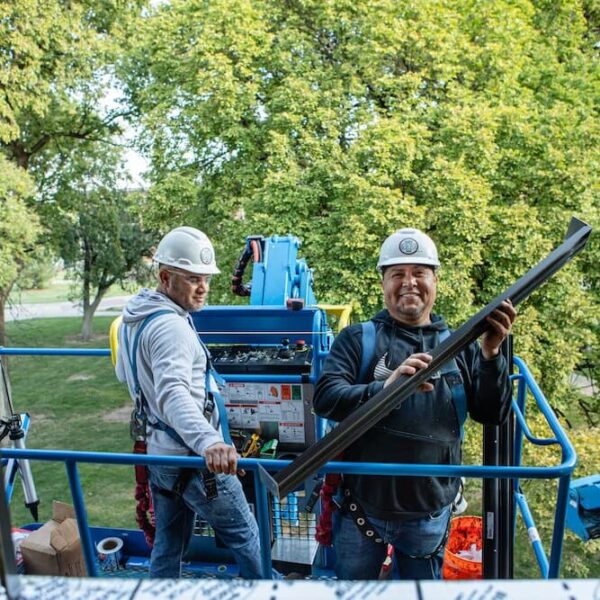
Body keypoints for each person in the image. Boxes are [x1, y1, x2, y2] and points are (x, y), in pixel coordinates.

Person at [313, 227, 516, 580]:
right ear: (383, 284)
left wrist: (491, 354)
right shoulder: (359, 340)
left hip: (430, 516)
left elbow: (492, 413)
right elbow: (325, 399)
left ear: (435, 280)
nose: (409, 282)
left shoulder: (461, 345)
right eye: (398, 274)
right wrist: (385, 389)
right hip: (363, 510)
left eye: (419, 273)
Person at [115, 226, 262, 579]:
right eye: (193, 279)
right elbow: (173, 393)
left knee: (169, 543)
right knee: (248, 538)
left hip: (160, 456)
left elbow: (126, 375)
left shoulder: (133, 319)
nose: (203, 288)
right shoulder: (172, 328)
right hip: (195, 461)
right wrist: (209, 440)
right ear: (166, 277)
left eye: (206, 278)